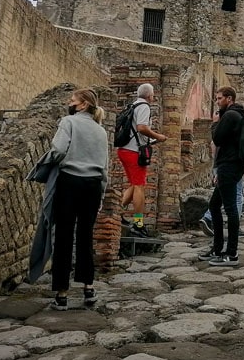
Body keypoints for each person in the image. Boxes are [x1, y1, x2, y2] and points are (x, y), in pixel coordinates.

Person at [47, 89, 109, 310]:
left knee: (63, 235)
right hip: (92, 185)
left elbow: (58, 149)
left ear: (82, 105)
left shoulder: (68, 122)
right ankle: (88, 288)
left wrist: (49, 163)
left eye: (72, 100)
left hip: (70, 181)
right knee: (85, 235)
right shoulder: (101, 131)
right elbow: (104, 169)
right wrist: (101, 195)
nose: (69, 103)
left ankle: (62, 293)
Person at [200, 87, 244, 267]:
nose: (217, 101)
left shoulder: (229, 116)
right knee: (214, 205)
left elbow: (217, 139)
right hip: (231, 165)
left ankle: (231, 253)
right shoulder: (238, 114)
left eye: (220, 98)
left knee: (231, 208)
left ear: (229, 98)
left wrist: (215, 123)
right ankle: (217, 248)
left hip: (229, 165)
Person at [117, 83, 167, 237]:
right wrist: (158, 136)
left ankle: (116, 213)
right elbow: (141, 128)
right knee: (139, 186)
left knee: (134, 184)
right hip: (134, 153)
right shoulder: (144, 106)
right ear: (150, 95)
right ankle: (139, 224)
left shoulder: (132, 105)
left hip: (124, 150)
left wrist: (151, 141)